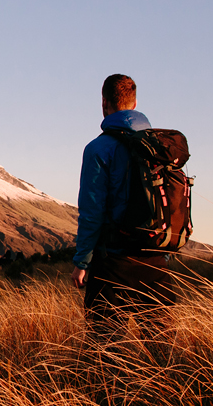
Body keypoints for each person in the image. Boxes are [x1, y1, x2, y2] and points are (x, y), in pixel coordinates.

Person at [70, 74, 176, 332]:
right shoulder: (160, 148)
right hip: (155, 261)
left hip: (112, 262)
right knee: (162, 353)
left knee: (105, 354)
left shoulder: (98, 149)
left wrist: (82, 262)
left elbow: (91, 212)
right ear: (135, 103)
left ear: (104, 103)